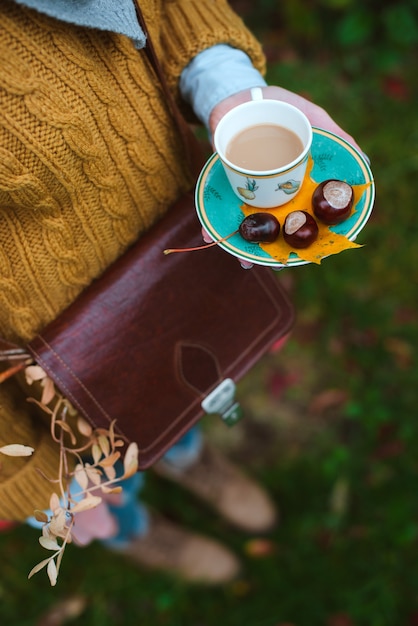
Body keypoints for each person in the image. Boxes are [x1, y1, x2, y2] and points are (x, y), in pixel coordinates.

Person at [0, 0, 362, 584]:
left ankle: (190, 460)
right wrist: (31, 482)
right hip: (52, 366)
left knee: (183, 390)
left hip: (179, 257)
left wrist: (228, 91)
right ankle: (137, 530)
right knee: (103, 473)